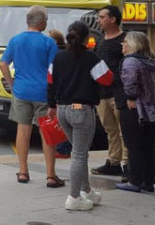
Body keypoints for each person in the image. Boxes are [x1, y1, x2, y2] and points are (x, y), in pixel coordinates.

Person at [48, 21, 113, 211]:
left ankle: (86, 190)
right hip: (82, 110)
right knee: (79, 154)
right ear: (87, 38)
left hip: (63, 110)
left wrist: (51, 105)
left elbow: (50, 83)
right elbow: (107, 79)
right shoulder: (91, 58)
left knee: (79, 152)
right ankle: (74, 197)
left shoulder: (58, 58)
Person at [0, 6, 62, 188]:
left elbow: (3, 64)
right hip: (43, 92)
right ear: (41, 22)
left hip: (21, 91)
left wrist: (12, 84)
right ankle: (51, 175)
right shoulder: (49, 43)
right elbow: (53, 71)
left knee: (23, 130)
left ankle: (23, 171)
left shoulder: (15, 40)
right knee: (46, 132)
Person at [116, 31, 155, 193]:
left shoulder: (130, 61)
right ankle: (148, 180)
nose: (122, 45)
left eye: (125, 42)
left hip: (136, 109)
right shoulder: (150, 61)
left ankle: (135, 180)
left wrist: (130, 96)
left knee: (134, 145)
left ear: (133, 44)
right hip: (151, 111)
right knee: (148, 146)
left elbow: (130, 83)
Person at [92, 5, 128, 179]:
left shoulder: (125, 39)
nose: (99, 20)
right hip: (101, 94)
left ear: (112, 19)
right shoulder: (100, 40)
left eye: (102, 17)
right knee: (110, 130)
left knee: (124, 130)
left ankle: (128, 164)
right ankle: (114, 162)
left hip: (120, 93)